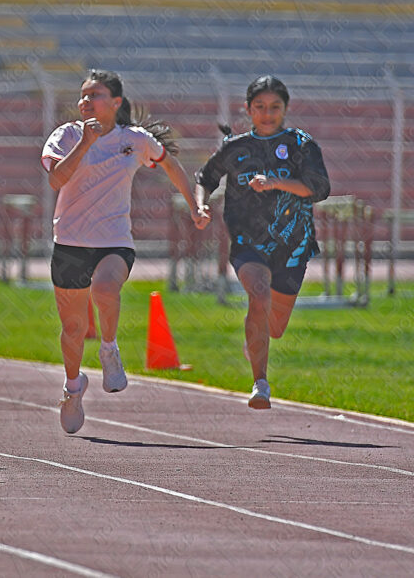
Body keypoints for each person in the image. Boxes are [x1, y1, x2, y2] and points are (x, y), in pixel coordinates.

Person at [42, 69, 207, 434]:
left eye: (95, 95)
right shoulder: (66, 135)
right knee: (73, 327)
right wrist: (85, 143)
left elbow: (170, 164)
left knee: (105, 288)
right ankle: (73, 387)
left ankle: (109, 348)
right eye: (83, 95)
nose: (86, 101)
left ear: (116, 102)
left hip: (114, 240)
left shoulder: (135, 139)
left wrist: (194, 206)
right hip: (70, 241)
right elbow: (56, 180)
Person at [194, 75, 330, 410]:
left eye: (274, 107)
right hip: (247, 240)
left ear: (285, 108)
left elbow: (318, 188)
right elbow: (205, 178)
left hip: (292, 244)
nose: (267, 114)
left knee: (275, 327)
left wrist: (274, 182)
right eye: (260, 107)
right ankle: (261, 383)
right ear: (248, 109)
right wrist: (200, 205)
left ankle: (255, 342)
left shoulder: (301, 144)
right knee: (259, 293)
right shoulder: (236, 147)